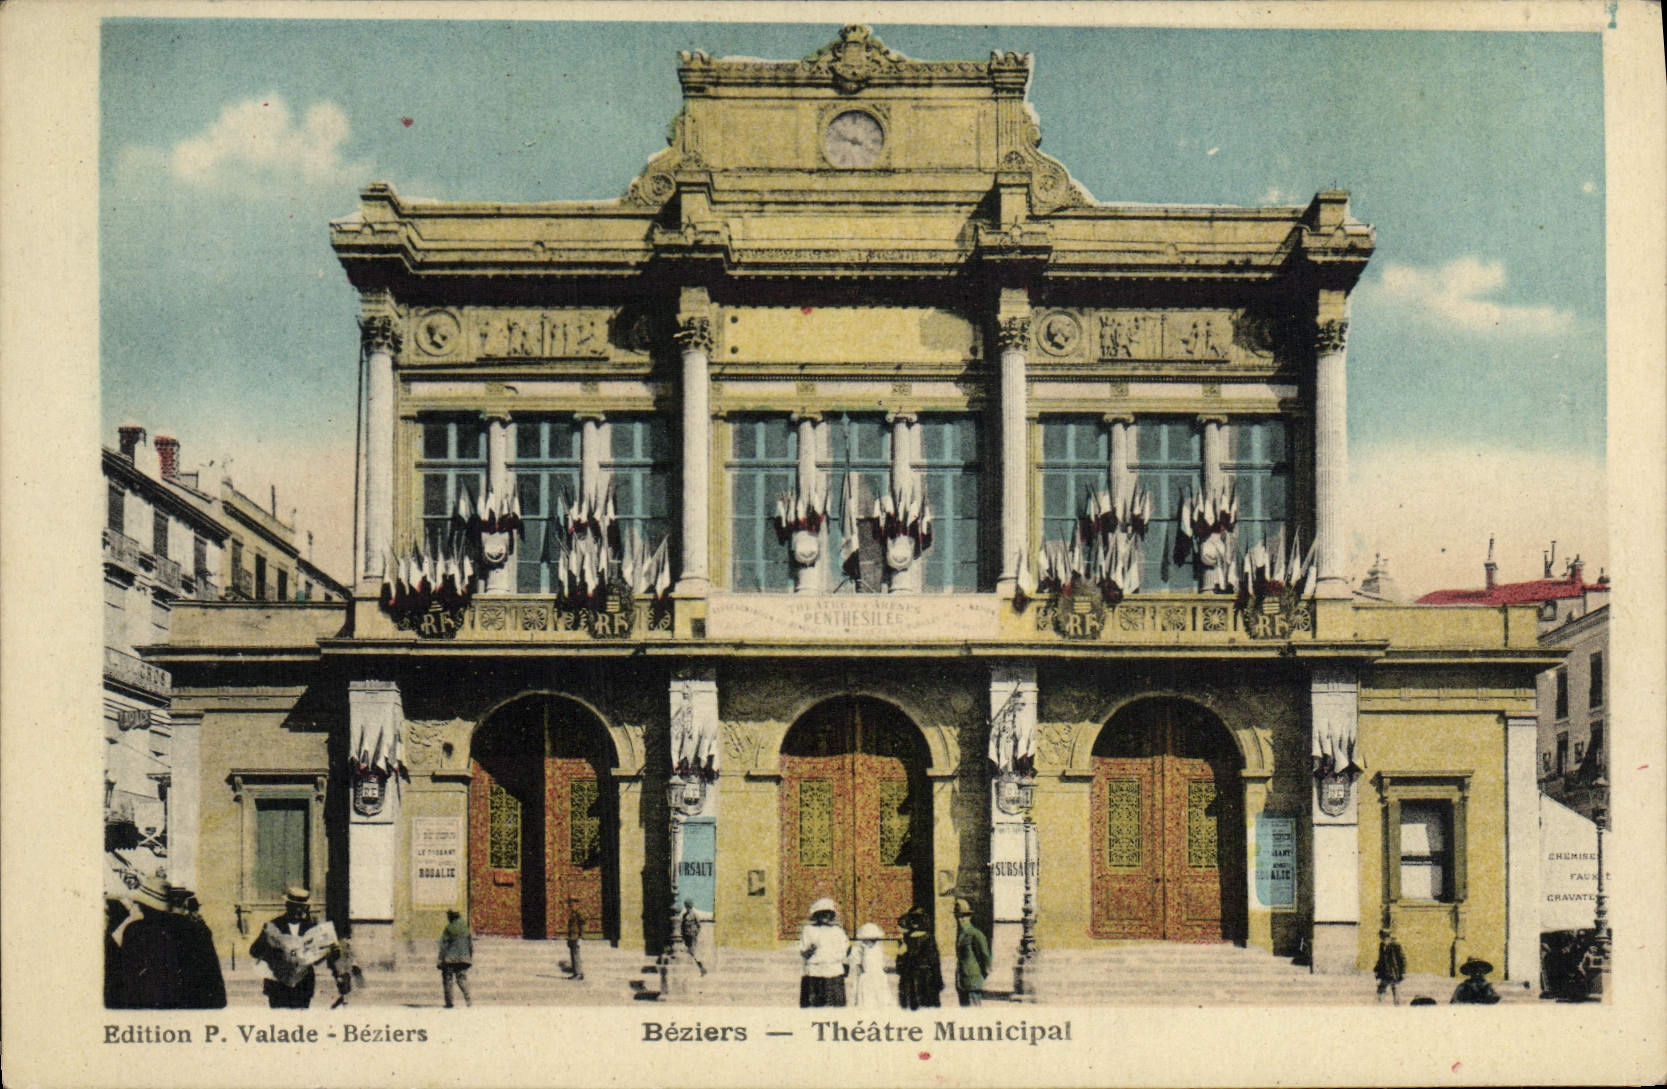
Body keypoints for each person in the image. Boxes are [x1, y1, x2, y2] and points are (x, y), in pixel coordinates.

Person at [249, 887, 346, 1009]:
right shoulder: (273, 926)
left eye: (301, 907)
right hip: (278, 985)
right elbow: (254, 951)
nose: (298, 910)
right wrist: (270, 948)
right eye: (294, 906)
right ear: (287, 905)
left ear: (306, 908)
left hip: (303, 985)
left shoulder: (313, 928)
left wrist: (338, 974)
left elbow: (330, 955)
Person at [798, 897, 850, 1007]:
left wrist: (842, 962)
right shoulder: (808, 930)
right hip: (815, 970)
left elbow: (845, 949)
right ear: (816, 915)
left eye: (828, 913)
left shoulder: (837, 931)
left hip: (833, 970)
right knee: (815, 1003)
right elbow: (804, 951)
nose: (825, 917)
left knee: (834, 1003)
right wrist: (811, 950)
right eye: (822, 914)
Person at [895, 907, 943, 1010]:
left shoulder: (905, 939)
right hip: (927, 980)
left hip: (909, 981)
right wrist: (938, 981)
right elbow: (934, 962)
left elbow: (899, 967)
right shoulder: (928, 938)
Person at [846, 923, 896, 1009]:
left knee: (880, 997)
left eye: (874, 939)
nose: (871, 941)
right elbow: (856, 962)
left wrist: (885, 967)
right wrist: (860, 973)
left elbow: (883, 962)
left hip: (878, 976)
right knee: (866, 997)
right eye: (868, 939)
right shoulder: (860, 948)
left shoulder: (878, 948)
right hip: (866, 976)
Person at [953, 899, 990, 1007]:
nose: (961, 920)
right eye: (958, 916)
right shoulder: (961, 935)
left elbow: (985, 956)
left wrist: (981, 975)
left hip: (973, 980)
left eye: (964, 916)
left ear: (969, 917)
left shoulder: (976, 934)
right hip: (962, 981)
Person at [437, 909, 473, 1008]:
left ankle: (449, 1002)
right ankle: (468, 999)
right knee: (462, 979)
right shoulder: (465, 927)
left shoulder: (449, 928)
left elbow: (444, 945)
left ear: (450, 917)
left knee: (448, 980)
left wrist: (440, 959)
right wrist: (469, 957)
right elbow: (470, 944)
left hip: (449, 959)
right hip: (463, 958)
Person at [1374, 927, 1407, 1005]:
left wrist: (1403, 972)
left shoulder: (1395, 945)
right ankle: (1379, 1006)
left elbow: (1402, 959)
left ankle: (1397, 1007)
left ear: (1387, 936)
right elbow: (1381, 959)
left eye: (1382, 937)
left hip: (1394, 972)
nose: (1381, 939)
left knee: (1395, 990)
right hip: (1385, 973)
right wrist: (1376, 969)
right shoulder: (1382, 945)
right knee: (1380, 990)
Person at [680, 899, 709, 977]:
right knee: (689, 952)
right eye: (686, 906)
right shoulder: (684, 915)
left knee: (692, 952)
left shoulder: (694, 914)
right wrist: (682, 935)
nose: (687, 907)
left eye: (688, 906)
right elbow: (682, 926)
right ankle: (699, 969)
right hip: (686, 936)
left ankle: (702, 968)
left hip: (692, 936)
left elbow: (699, 925)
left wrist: (695, 933)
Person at [565, 898, 585, 980]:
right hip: (572, 937)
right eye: (570, 905)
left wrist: (581, 938)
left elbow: (582, 925)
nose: (571, 906)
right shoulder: (572, 913)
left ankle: (579, 973)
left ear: (577, 905)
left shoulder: (579, 913)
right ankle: (575, 973)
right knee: (573, 956)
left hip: (576, 937)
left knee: (576, 956)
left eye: (572, 905)